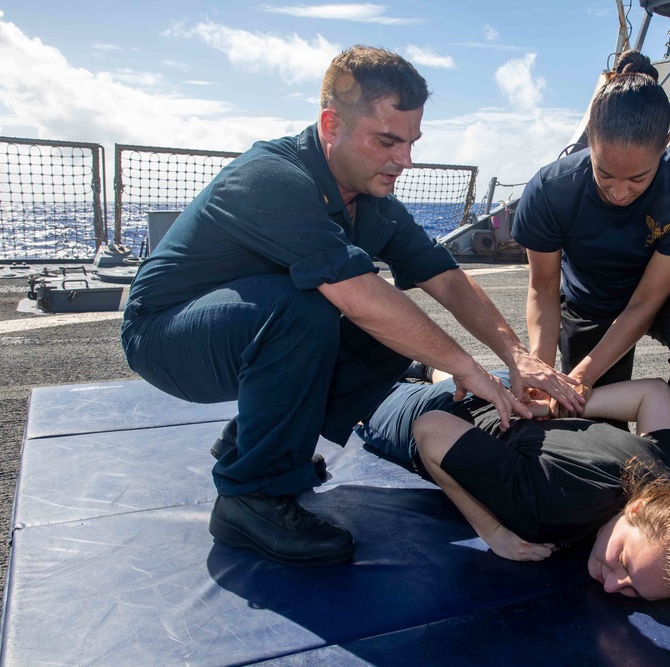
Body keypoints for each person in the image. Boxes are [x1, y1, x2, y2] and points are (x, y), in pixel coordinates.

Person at [120, 46, 583, 568]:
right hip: (166, 336)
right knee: (314, 311)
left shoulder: (373, 201)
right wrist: (466, 367)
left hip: (242, 330)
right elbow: (359, 296)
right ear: (331, 125)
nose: (405, 160)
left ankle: (251, 438)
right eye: (387, 141)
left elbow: (447, 279)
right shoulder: (271, 177)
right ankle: (249, 495)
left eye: (411, 142)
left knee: (385, 341)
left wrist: (516, 355)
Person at [355, 368, 670, 613]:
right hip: (443, 411)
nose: (613, 585)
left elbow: (653, 393)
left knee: (469, 379)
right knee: (353, 397)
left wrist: (553, 408)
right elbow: (432, 430)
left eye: (634, 593)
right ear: (637, 510)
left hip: (507, 390)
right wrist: (493, 532)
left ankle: (427, 367)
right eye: (625, 565)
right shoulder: (547, 508)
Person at [511, 50, 670, 457]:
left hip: (663, 291)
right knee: (595, 426)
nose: (618, 192)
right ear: (589, 142)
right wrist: (542, 373)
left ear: (665, 145)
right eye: (604, 173)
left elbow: (647, 301)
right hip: (589, 297)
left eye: (638, 179)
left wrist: (584, 373)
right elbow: (543, 287)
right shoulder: (550, 189)